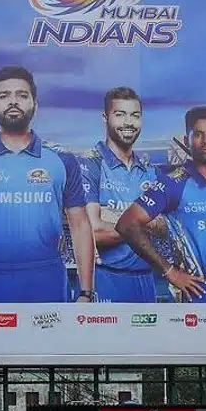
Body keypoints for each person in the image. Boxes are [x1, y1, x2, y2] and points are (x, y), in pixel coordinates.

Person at [0, 66, 97, 303]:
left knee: (48, 341)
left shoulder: (61, 159)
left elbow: (80, 225)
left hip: (46, 278)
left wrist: (86, 292)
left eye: (22, 95)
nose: (13, 102)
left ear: (35, 103)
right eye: (4, 96)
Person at [116, 105, 206, 303]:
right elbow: (126, 223)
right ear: (187, 141)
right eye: (199, 135)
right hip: (197, 296)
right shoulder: (173, 183)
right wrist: (170, 272)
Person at [79, 87, 164, 303]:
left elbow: (165, 227)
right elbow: (93, 232)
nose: (128, 122)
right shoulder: (89, 164)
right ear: (105, 118)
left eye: (135, 115)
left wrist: (110, 215)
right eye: (120, 114)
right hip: (106, 280)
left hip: (146, 281)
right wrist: (143, 220)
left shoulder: (151, 171)